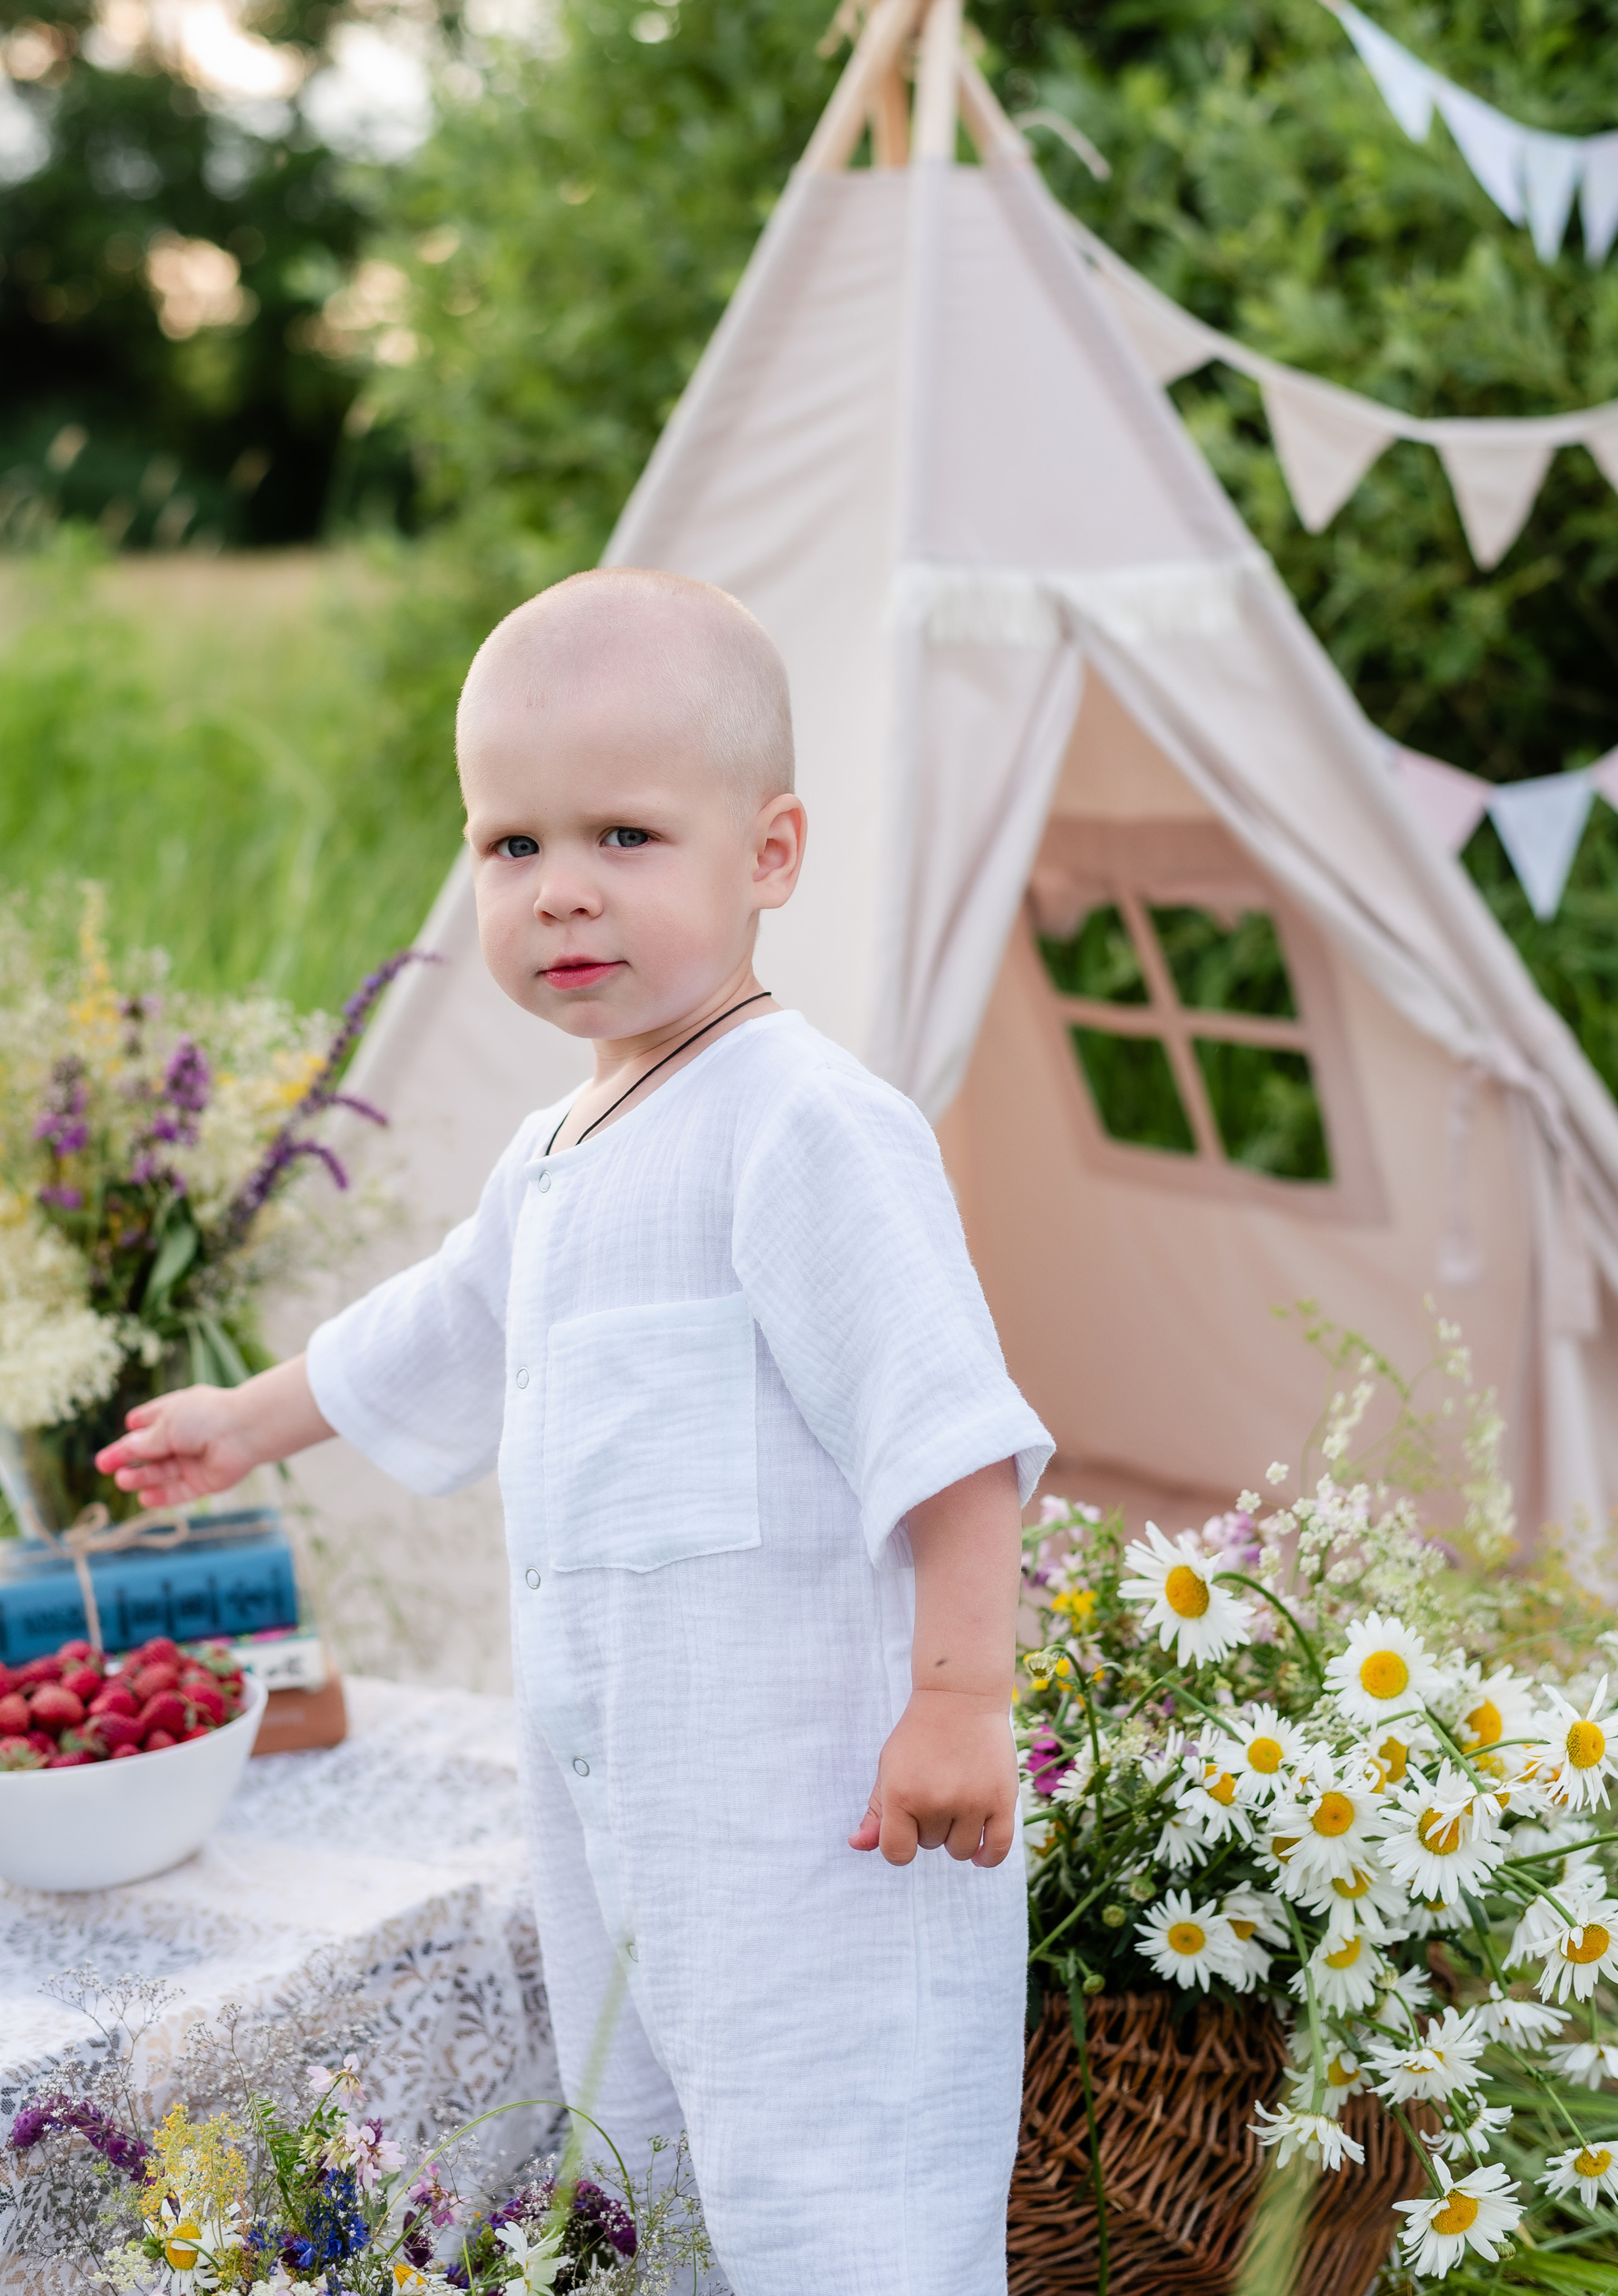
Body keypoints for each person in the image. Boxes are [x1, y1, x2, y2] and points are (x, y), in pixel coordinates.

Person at [98, 569, 1053, 2296]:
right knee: (660, 2202)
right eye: (512, 845)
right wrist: (249, 1420)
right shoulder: (552, 1151)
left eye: (625, 835)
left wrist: (959, 1700)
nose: (561, 891)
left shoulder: (806, 1125)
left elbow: (953, 1437)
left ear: (769, 854)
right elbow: (448, 1322)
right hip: (633, 1839)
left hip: (824, 1838)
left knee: (849, 2222)